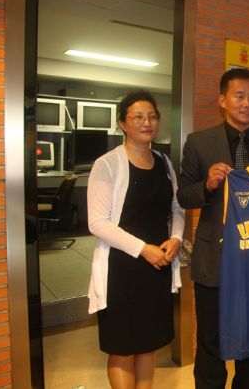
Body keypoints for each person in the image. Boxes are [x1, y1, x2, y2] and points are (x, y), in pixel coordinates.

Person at [177, 68, 249, 389]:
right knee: (211, 343)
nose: (247, 103)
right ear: (222, 100)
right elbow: (184, 195)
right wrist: (207, 184)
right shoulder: (199, 142)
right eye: (239, 96)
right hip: (215, 259)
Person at [87, 90, 184, 389]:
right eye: (138, 117)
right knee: (122, 346)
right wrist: (143, 249)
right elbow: (97, 223)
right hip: (122, 267)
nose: (147, 122)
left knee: (147, 342)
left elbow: (177, 208)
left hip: (157, 265)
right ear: (122, 123)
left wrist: (176, 238)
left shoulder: (165, 163)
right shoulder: (107, 164)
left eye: (152, 116)